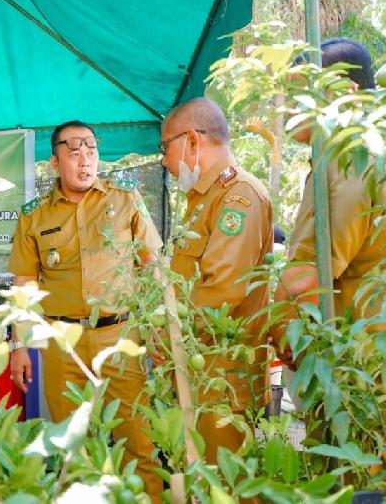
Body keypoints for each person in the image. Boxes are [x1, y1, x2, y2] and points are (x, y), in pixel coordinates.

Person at [8, 120, 164, 499]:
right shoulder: (34, 216)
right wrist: (20, 346)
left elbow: (154, 268)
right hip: (64, 345)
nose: (85, 158)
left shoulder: (125, 199)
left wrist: (161, 331)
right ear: (53, 162)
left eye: (91, 148)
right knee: (71, 445)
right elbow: (25, 285)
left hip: (122, 338)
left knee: (139, 441)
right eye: (73, 150)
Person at [161, 98, 273, 464]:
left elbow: (224, 289)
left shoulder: (238, 197)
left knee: (227, 486)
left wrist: (166, 334)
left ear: (192, 141)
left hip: (223, 380)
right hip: (199, 370)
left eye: (166, 147)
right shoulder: (205, 199)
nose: (164, 160)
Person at [273, 37, 385, 355]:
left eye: (297, 96)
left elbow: (306, 280)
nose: (286, 109)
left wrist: (286, 340)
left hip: (360, 368)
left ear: (344, 95)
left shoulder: (346, 158)